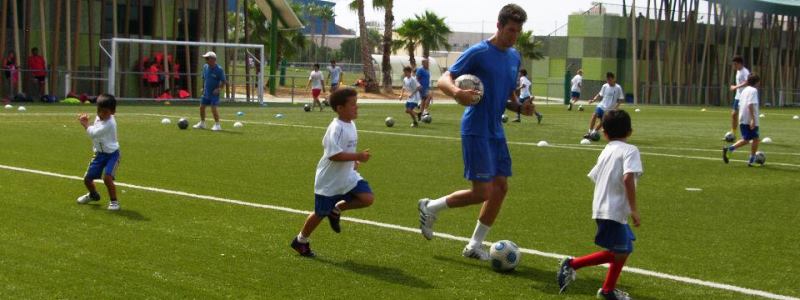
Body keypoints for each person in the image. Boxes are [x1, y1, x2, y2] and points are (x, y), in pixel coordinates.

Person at [418, 4, 534, 260]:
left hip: (495, 130)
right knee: (482, 192)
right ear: (499, 26)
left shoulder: (514, 57)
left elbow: (506, 95)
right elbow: (444, 79)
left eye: (518, 31)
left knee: (501, 187)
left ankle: (474, 246)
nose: (514, 36)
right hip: (475, 128)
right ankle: (431, 207)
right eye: (511, 30)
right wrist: (458, 93)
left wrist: (519, 107)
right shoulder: (478, 52)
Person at [557, 109, 643, 300]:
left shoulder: (607, 151)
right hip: (613, 210)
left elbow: (595, 176)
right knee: (620, 251)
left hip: (603, 208)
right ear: (630, 131)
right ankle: (574, 265)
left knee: (624, 248)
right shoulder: (631, 150)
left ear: (604, 133)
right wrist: (634, 209)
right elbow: (628, 178)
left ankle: (607, 290)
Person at [290, 88, 374, 257]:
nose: (356, 107)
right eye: (353, 104)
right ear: (340, 108)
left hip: (347, 176)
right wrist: (357, 156)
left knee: (367, 198)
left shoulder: (350, 123)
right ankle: (300, 240)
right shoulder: (336, 128)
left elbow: (346, 149)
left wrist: (354, 161)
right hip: (329, 180)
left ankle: (336, 209)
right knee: (320, 213)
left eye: (356, 104)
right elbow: (334, 155)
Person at [76, 94, 122, 211]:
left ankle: (114, 202)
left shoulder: (110, 123)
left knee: (107, 178)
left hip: (112, 154)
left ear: (112, 112)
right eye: (99, 111)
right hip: (99, 154)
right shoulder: (99, 118)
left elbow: (94, 133)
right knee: (87, 179)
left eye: (105, 112)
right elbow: (95, 130)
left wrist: (85, 123)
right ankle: (93, 195)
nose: (101, 114)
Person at [723, 74, 762, 167]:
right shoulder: (754, 90)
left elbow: (740, 104)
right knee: (755, 139)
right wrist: (753, 119)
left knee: (747, 139)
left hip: (742, 118)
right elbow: (750, 105)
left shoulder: (744, 90)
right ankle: (751, 160)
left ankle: (731, 150)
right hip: (750, 119)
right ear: (757, 82)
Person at [193, 51, 226, 131]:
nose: (206, 60)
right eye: (205, 58)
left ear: (213, 59)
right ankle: (202, 123)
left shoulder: (219, 70)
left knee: (213, 108)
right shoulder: (205, 67)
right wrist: (203, 87)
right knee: (201, 107)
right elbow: (204, 78)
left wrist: (219, 89)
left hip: (214, 94)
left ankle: (217, 125)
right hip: (206, 92)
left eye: (207, 58)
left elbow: (224, 81)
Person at [585, 72, 624, 139]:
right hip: (601, 105)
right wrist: (593, 100)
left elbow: (621, 99)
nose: (608, 81)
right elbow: (600, 94)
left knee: (603, 121)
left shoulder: (618, 88)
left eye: (610, 80)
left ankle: (594, 132)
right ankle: (589, 132)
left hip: (610, 109)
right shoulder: (605, 86)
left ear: (613, 79)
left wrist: (616, 107)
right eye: (607, 80)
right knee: (594, 115)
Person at [728, 56, 750, 140]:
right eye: (733, 64)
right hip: (738, 96)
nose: (734, 66)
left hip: (745, 97)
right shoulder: (738, 71)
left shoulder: (745, 71)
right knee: (733, 114)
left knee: (744, 117)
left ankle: (749, 135)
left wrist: (735, 87)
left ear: (740, 63)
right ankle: (733, 134)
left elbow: (748, 82)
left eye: (735, 64)